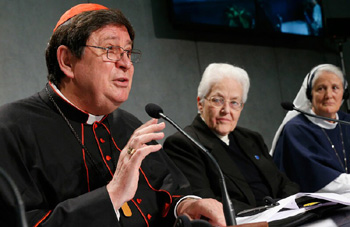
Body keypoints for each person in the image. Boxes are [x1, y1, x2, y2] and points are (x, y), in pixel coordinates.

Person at [0, 4, 226, 226]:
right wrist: (112, 194)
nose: (126, 64)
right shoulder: (10, 127)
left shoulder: (128, 125)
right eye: (110, 50)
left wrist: (186, 206)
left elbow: (168, 190)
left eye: (128, 52)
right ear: (67, 61)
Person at [163, 63, 299, 214]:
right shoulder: (183, 144)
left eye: (234, 102)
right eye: (218, 100)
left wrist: (290, 208)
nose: (226, 110)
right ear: (200, 103)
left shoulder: (252, 138)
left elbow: (284, 184)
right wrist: (265, 213)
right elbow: (205, 203)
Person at [271, 64, 350, 195]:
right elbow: (322, 183)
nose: (329, 95)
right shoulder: (296, 129)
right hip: (312, 208)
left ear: (344, 93)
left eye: (335, 88)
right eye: (321, 89)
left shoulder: (346, 122)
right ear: (310, 95)